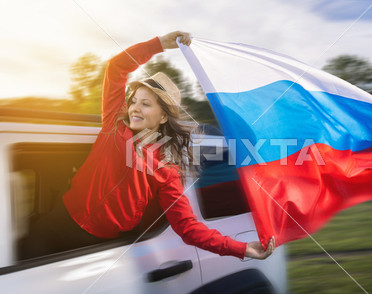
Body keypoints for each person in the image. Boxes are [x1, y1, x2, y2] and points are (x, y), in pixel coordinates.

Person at [24, 31, 274, 260]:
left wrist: (242, 248)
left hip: (95, 247)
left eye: (146, 104)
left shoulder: (168, 168)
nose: (134, 108)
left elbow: (188, 228)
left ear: (163, 116)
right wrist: (158, 45)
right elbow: (116, 67)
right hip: (58, 220)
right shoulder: (114, 123)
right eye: (134, 101)